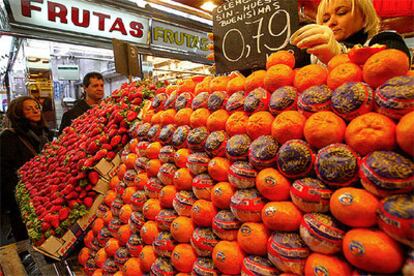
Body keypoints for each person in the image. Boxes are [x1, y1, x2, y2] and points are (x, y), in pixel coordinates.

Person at [290, 0, 411, 65]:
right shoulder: (314, 56)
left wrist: (339, 52)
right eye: (325, 19)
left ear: (364, 17)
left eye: (341, 12)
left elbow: (394, 63)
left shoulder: (386, 39)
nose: (331, 22)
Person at [0, 96, 51, 244]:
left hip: (44, 197)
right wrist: (18, 196)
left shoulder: (43, 134)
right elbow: (4, 172)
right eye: (29, 109)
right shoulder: (8, 137)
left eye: (36, 107)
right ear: (18, 114)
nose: (35, 110)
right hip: (23, 201)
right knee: (27, 240)